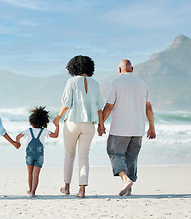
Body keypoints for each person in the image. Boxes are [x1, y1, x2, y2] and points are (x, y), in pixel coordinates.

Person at [99, 59, 156, 196]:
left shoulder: (116, 82)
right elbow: (148, 107)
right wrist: (152, 127)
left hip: (120, 128)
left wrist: (101, 124)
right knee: (131, 158)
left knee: (114, 153)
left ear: (119, 70)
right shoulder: (142, 84)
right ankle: (129, 189)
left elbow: (109, 106)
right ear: (132, 69)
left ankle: (125, 180)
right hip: (138, 129)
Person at [53, 55, 104, 198]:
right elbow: (100, 107)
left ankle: (67, 187)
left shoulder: (71, 82)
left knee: (69, 155)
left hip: (72, 123)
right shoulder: (95, 84)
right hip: (89, 125)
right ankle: (82, 190)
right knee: (84, 157)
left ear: (73, 67)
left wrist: (58, 117)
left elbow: (67, 103)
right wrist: (101, 125)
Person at [16, 106, 59, 197]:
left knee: (30, 173)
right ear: (44, 121)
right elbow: (55, 135)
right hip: (39, 155)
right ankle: (33, 192)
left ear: (31, 121)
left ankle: (30, 189)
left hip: (29, 155)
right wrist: (57, 126)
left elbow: (18, 136)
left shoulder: (28, 130)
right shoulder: (44, 131)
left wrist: (18, 143)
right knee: (36, 174)